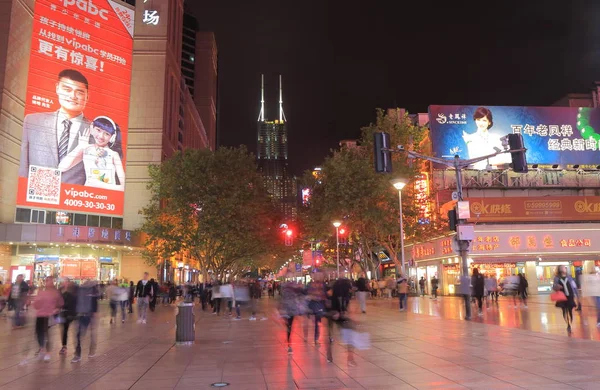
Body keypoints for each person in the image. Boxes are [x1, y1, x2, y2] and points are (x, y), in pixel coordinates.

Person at [19, 69, 92, 184]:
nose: (72, 96)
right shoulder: (33, 122)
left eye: (79, 92)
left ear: (87, 96)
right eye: (67, 89)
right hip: (36, 196)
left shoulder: (97, 132)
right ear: (57, 88)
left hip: (75, 198)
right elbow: (23, 166)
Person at [57, 116, 126, 190]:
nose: (101, 136)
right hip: (88, 195)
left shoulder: (113, 154)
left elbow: (124, 186)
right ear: (92, 129)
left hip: (107, 197)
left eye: (107, 134)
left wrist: (98, 185)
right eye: (98, 130)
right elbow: (61, 168)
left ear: (112, 138)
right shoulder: (86, 150)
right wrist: (80, 146)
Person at [33, 276, 64, 362]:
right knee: (39, 333)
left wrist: (56, 309)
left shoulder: (56, 293)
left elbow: (60, 303)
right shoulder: (41, 292)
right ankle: (41, 349)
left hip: (49, 315)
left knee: (48, 334)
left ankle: (48, 352)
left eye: (50, 281)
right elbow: (36, 304)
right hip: (40, 315)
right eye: (47, 281)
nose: (48, 283)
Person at [72, 279, 99, 363]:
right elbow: (95, 302)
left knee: (79, 335)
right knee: (91, 335)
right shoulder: (93, 290)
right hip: (88, 314)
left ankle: (78, 354)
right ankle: (90, 352)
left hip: (82, 314)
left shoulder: (80, 289)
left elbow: (77, 301)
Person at [553, 265, 578, 333]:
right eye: (563, 267)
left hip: (570, 296)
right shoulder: (556, 278)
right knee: (564, 310)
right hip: (562, 296)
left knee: (570, 310)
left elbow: (574, 286)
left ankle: (570, 321)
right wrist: (557, 286)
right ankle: (568, 324)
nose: (564, 268)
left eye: (564, 267)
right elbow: (554, 286)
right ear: (559, 269)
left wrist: (577, 294)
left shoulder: (569, 277)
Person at [59, 278, 78, 356]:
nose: (64, 283)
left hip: (72, 314)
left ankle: (75, 348)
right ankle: (64, 347)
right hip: (65, 314)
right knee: (64, 330)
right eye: (64, 282)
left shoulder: (72, 292)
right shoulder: (62, 291)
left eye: (66, 282)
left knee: (74, 332)